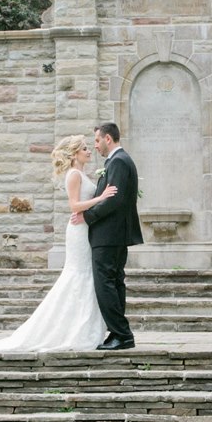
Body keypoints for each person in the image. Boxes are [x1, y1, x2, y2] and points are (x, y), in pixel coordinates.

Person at [0, 135, 117, 353]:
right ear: (74, 153)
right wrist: (102, 197)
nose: (90, 151)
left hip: (86, 229)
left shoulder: (81, 173)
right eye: (85, 149)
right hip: (79, 232)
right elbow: (74, 206)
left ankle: (83, 328)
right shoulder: (73, 175)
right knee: (79, 276)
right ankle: (72, 330)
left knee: (86, 277)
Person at [71, 122, 143, 351]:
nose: (96, 146)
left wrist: (88, 217)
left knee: (106, 284)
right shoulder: (116, 161)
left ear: (108, 139)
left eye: (97, 140)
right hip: (113, 234)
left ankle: (121, 334)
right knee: (113, 282)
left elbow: (115, 199)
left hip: (110, 234)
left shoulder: (119, 161)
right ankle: (119, 333)